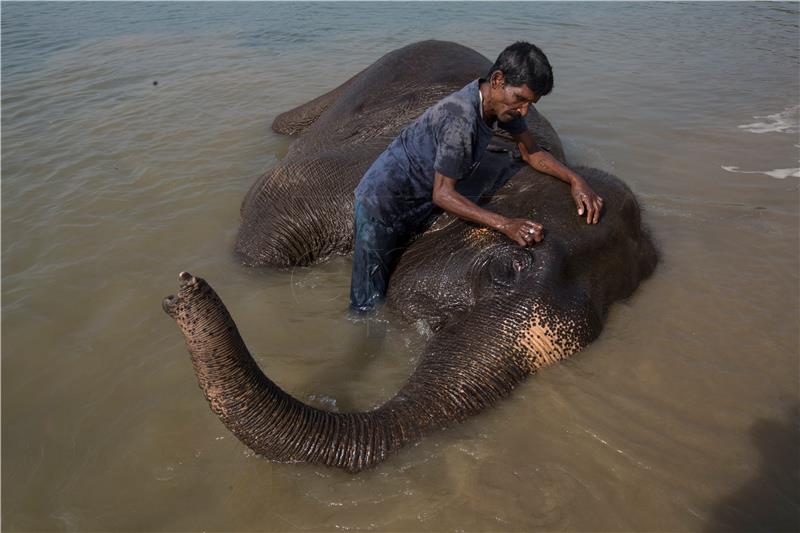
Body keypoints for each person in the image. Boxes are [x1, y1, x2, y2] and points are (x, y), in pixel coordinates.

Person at [350, 41, 603, 312]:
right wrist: (506, 224)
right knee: (368, 303)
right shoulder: (460, 120)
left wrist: (576, 180)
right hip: (383, 202)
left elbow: (532, 154)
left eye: (531, 103)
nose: (525, 110)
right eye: (521, 99)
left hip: (420, 194)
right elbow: (443, 194)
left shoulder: (502, 106)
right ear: (497, 80)